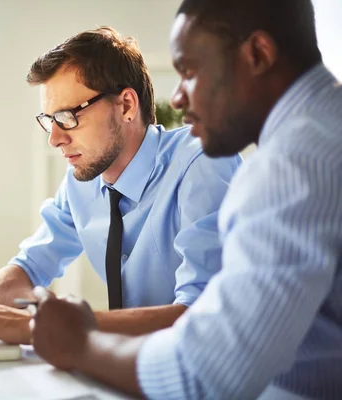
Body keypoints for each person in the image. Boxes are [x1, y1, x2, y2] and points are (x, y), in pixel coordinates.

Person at [30, 0, 342, 399]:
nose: (176, 99)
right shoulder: (324, 131)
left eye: (190, 73)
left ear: (258, 55)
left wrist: (79, 342)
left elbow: (207, 374)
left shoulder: (292, 165)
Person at [0, 27, 242, 345]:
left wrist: (31, 327)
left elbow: (200, 315)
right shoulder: (84, 182)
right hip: (132, 369)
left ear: (126, 105)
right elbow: (32, 265)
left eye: (68, 118)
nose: (55, 139)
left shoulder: (203, 163)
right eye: (49, 121)